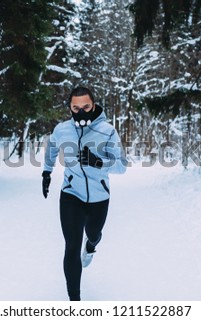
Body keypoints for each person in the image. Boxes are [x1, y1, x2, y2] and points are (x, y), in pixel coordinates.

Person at [42, 86, 127, 301]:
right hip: (71, 194)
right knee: (71, 247)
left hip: (99, 197)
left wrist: (99, 162)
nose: (81, 112)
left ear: (94, 105)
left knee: (93, 234)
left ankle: (91, 246)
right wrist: (47, 171)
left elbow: (122, 166)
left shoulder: (107, 131)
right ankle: (75, 303)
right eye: (75, 108)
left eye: (86, 107)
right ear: (70, 108)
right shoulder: (62, 130)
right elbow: (52, 147)